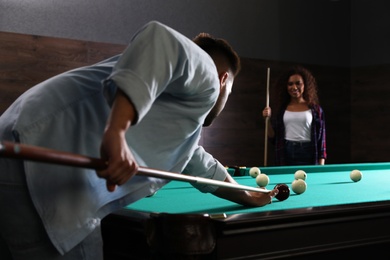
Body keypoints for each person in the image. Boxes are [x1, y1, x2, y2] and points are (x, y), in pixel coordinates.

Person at [0, 21, 278, 260]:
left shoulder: (174, 108)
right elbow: (160, 36)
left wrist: (245, 194)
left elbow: (197, 162)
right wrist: (117, 132)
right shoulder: (207, 77)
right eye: (229, 91)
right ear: (223, 79)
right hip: (41, 164)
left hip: (18, 140)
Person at [262, 65, 326, 166]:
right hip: (286, 151)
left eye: (298, 83)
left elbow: (322, 140)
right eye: (290, 84)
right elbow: (273, 136)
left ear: (305, 85)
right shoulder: (281, 110)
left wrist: (321, 164)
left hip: (309, 152)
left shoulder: (316, 110)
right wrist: (267, 119)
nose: (294, 87)